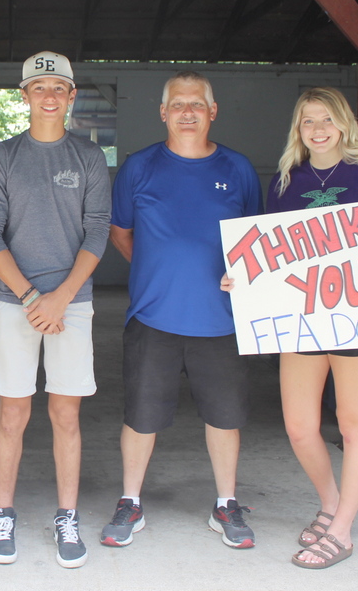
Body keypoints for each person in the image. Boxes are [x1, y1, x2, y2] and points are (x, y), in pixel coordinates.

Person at [101, 71, 262, 551]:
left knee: (225, 417)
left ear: (212, 112)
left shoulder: (238, 169)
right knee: (141, 416)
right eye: (177, 104)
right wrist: (159, 267)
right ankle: (131, 501)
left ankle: (226, 504)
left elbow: (258, 243)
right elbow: (120, 232)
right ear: (163, 112)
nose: (187, 111)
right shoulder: (139, 167)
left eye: (197, 104)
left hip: (222, 318)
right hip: (154, 317)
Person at [255, 86, 358, 568]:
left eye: (325, 120)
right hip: (301, 315)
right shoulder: (284, 181)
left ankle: (341, 532)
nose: (317, 130)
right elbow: (267, 251)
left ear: (344, 123)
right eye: (307, 122)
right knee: (300, 427)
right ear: (297, 130)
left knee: (353, 423)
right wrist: (243, 276)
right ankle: (330, 501)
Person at [0, 51, 110, 568]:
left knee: (65, 413)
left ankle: (67, 515)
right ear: (24, 95)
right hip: (16, 302)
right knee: (12, 412)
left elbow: (97, 231)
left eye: (59, 87)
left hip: (72, 305)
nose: (49, 95)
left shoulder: (89, 158)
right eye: (39, 87)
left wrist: (61, 298)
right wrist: (33, 298)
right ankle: (4, 513)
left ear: (72, 96)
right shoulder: (3, 155)